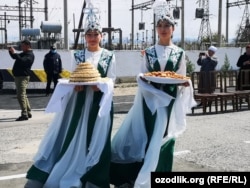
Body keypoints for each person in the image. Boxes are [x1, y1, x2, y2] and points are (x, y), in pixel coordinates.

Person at [24, 2, 116, 188]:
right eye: (89, 34)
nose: (92, 38)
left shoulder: (109, 55)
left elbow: (112, 79)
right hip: (80, 103)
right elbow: (74, 77)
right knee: (77, 135)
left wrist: (103, 86)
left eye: (95, 34)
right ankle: (74, 169)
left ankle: (95, 177)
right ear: (85, 36)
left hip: (100, 102)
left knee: (98, 138)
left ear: (101, 36)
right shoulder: (78, 55)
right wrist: (76, 87)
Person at [109, 0, 195, 187]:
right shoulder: (148, 52)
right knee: (147, 136)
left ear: (173, 29)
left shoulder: (179, 53)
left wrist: (185, 84)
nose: (163, 29)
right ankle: (139, 175)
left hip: (170, 101)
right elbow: (143, 75)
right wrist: (150, 86)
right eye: (160, 25)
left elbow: (180, 76)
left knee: (166, 137)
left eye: (167, 25)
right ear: (156, 29)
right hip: (150, 101)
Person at [8, 39, 35, 121]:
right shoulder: (25, 53)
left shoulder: (30, 55)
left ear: (28, 46)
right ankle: (28, 112)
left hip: (22, 77)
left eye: (23, 46)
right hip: (19, 76)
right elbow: (15, 57)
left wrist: (15, 53)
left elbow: (22, 61)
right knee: (23, 95)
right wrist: (11, 51)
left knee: (21, 96)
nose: (22, 47)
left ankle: (24, 114)